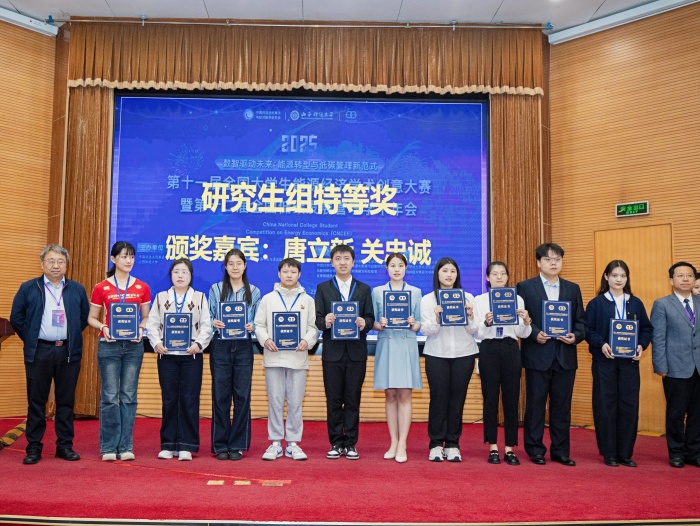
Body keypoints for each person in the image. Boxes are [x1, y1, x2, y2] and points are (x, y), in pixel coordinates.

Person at [10, 245, 89, 465]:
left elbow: (83, 318)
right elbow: (16, 317)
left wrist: (69, 336)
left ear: (66, 265)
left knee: (66, 401)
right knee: (36, 401)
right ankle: (34, 447)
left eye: (60, 261)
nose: (56, 265)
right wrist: (32, 338)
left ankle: (64, 446)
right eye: (51, 261)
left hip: (67, 351)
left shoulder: (76, 289)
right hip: (40, 351)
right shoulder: (28, 288)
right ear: (42, 263)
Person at [516, 243, 586, 466]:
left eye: (557, 259)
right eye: (548, 259)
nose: (553, 263)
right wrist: (534, 333)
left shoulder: (572, 288)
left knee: (562, 407)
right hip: (537, 354)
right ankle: (535, 449)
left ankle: (561, 451)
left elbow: (581, 322)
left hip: (565, 356)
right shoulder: (525, 287)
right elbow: (520, 319)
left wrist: (576, 336)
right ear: (538, 262)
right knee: (535, 405)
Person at [585, 260, 653, 467]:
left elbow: (646, 329)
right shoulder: (597, 303)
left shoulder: (635, 303)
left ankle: (625, 453)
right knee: (605, 405)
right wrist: (601, 344)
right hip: (604, 362)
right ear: (606, 277)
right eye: (614, 275)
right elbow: (587, 330)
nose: (619, 279)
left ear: (627, 278)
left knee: (629, 406)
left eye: (623, 276)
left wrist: (641, 345)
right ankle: (609, 453)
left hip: (629, 363)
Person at [87, 241, 151, 462]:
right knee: (110, 397)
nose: (128, 260)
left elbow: (146, 317)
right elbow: (91, 318)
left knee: (129, 396)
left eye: (131, 256)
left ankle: (125, 446)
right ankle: (108, 447)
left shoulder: (142, 287)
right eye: (124, 256)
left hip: (133, 347)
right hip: (109, 345)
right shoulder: (101, 287)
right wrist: (103, 327)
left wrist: (141, 329)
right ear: (113, 259)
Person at [146, 258, 212, 461]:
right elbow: (152, 325)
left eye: (184, 272)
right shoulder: (161, 297)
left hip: (191, 355)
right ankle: (168, 444)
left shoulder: (200, 298)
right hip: (167, 355)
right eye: (176, 272)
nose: (180, 275)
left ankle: (186, 445)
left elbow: (206, 326)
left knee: (189, 400)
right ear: (171, 275)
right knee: (169, 399)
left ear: (191, 276)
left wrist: (199, 344)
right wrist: (156, 343)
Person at [254, 258, 318, 461]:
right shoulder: (268, 299)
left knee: (295, 401)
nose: (289, 275)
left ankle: (292, 443)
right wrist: (266, 340)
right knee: (274, 401)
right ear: (279, 274)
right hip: (274, 357)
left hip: (298, 358)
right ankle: (275, 443)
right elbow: (259, 325)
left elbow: (313, 327)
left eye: (293, 271)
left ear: (299, 275)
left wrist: (307, 341)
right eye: (285, 271)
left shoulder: (308, 300)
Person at [315, 244, 374, 460]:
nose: (342, 262)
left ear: (353, 262)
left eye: (346, 258)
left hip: (356, 353)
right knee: (333, 399)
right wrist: (326, 321)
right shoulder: (323, 288)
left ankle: (350, 443)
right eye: (338, 258)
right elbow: (317, 319)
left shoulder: (363, 289)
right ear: (332, 262)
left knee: (352, 399)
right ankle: (335, 442)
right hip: (332, 353)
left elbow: (370, 318)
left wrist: (364, 323)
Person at [420, 257, 479, 462]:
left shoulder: (468, 297)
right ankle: (436, 444)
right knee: (438, 399)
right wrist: (437, 319)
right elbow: (425, 330)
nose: (449, 275)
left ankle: (453, 444)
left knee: (457, 400)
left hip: (464, 353)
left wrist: (470, 315)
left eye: (452, 271)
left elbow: (475, 330)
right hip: (437, 353)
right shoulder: (428, 299)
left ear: (457, 275)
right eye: (445, 271)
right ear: (437, 274)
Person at [473, 261, 531, 465]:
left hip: (510, 348)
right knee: (490, 399)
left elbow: (522, 333)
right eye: (494, 274)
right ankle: (493, 447)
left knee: (511, 398)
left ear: (507, 277)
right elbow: (477, 333)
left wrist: (526, 322)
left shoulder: (517, 299)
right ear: (487, 277)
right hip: (489, 348)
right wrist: (486, 323)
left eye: (503, 274)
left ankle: (510, 448)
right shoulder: (480, 300)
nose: (499, 277)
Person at [208, 248, 260, 460]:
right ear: (226, 267)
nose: (235, 267)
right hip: (220, 346)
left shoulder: (254, 291)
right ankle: (220, 445)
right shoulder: (215, 289)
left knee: (242, 396)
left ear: (245, 266)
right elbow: (207, 316)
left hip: (244, 347)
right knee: (220, 396)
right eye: (231, 263)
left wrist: (252, 326)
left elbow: (259, 320)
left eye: (239, 263)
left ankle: (237, 444)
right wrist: (214, 322)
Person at [372, 253, 422, 463]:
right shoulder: (377, 292)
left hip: (406, 344)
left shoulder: (415, 292)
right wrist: (380, 324)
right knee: (390, 394)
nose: (396, 269)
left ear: (406, 268)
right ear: (387, 268)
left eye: (400, 265)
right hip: (387, 344)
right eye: (392, 265)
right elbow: (372, 323)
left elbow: (419, 324)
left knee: (405, 395)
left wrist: (413, 323)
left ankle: (403, 443)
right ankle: (393, 442)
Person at [651, 261, 700, 468]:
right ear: (671, 280)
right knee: (676, 414)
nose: (685, 279)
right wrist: (660, 365)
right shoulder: (662, 304)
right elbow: (658, 337)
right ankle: (677, 453)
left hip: (698, 367)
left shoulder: (699, 301)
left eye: (689, 275)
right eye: (680, 276)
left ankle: (694, 452)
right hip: (674, 367)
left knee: (697, 413)